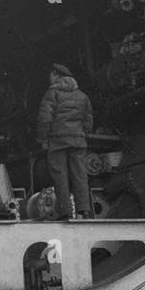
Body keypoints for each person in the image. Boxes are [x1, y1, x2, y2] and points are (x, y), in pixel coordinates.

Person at [35, 63, 94, 219]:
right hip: (78, 141)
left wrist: (43, 139)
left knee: (60, 176)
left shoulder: (52, 94)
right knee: (80, 176)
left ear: (56, 74)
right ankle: (84, 210)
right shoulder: (82, 95)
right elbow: (88, 119)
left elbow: (45, 119)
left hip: (58, 141)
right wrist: (83, 134)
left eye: (50, 74)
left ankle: (66, 212)